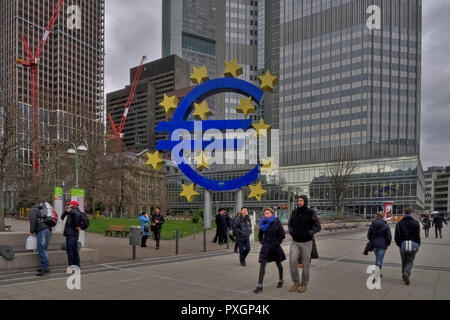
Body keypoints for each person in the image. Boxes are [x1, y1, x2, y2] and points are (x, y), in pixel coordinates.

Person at [288, 195, 321, 293]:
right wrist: (291, 231)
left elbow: (318, 226)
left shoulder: (311, 212)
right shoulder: (294, 212)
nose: (299, 202)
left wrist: (310, 233)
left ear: (305, 201)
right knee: (292, 261)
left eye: (301, 200)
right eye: (298, 200)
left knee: (306, 264)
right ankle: (296, 282)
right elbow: (290, 224)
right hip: (295, 241)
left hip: (307, 242)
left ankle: (304, 285)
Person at [253, 208, 286, 294]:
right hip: (266, 247)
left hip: (275, 246)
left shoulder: (276, 221)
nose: (266, 215)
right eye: (265, 213)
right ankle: (259, 285)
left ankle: (281, 279)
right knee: (262, 265)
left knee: (278, 263)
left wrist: (277, 242)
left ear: (272, 213)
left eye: (268, 213)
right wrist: (263, 242)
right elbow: (260, 235)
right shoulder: (263, 222)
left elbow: (282, 234)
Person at [395, 207, 421, 285]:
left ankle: (404, 275)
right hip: (413, 244)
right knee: (410, 261)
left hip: (403, 244)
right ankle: (406, 273)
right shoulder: (415, 222)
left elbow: (396, 236)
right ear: (411, 213)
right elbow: (417, 235)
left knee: (403, 261)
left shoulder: (399, 223)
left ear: (404, 213)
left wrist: (399, 244)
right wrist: (418, 244)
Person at [29, 202, 53, 276]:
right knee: (44, 249)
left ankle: (45, 268)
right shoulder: (42, 210)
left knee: (41, 249)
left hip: (41, 231)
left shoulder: (33, 210)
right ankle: (46, 267)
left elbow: (33, 221)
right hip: (48, 230)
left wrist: (31, 231)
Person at [61, 201, 82, 268]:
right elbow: (62, 217)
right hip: (72, 233)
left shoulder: (74, 210)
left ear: (73, 205)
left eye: (69, 204)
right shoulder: (70, 211)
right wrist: (67, 211)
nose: (67, 205)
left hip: (71, 233)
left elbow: (77, 215)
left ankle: (72, 267)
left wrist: (77, 225)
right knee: (74, 249)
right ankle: (76, 265)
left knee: (70, 250)